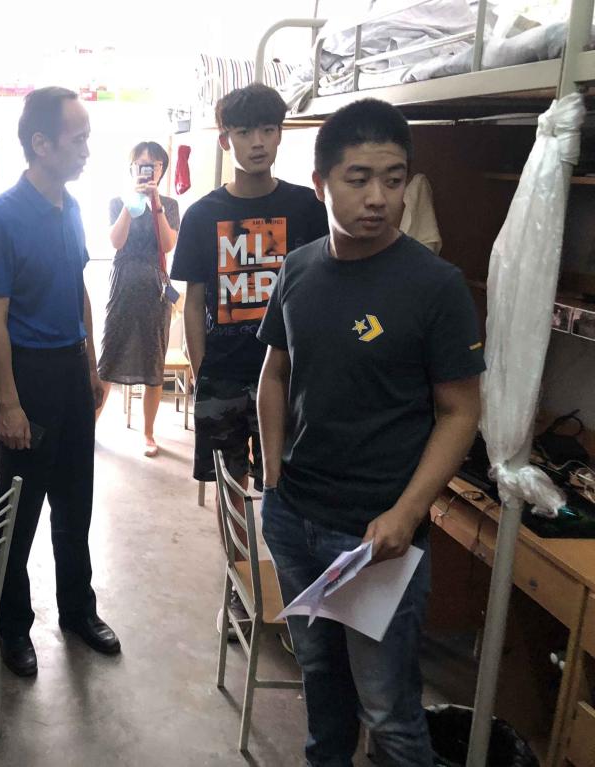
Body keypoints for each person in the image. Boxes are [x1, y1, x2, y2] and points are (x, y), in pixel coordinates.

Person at [257, 98, 483, 766]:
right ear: (321, 183)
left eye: (394, 178)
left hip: (374, 537)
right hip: (295, 517)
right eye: (358, 179)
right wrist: (272, 476)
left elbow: (460, 411)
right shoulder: (298, 269)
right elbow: (274, 372)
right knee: (320, 676)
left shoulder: (434, 285)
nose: (379, 198)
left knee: (387, 709)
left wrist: (405, 515)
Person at [0, 86, 120, 677]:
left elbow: (79, 289)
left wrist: (91, 366)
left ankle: (78, 611)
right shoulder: (3, 217)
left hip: (70, 370)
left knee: (76, 503)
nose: (86, 149)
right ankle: (12, 627)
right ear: (41, 143)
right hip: (26, 375)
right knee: (19, 512)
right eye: (77, 139)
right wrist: (9, 406)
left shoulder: (72, 206)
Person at [169, 83, 327, 637]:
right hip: (227, 373)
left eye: (268, 129)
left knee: (291, 484)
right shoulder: (202, 214)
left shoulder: (306, 208)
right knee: (232, 485)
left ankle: (297, 594)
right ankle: (239, 589)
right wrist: (201, 370)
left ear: (280, 135)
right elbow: (194, 300)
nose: (257, 142)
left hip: (291, 374)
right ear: (226, 139)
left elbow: (324, 285)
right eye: (244, 131)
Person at [96, 140, 180, 457]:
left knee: (153, 360)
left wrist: (155, 203)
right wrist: (132, 204)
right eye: (141, 165)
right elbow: (116, 241)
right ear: (132, 168)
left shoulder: (169, 204)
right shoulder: (119, 201)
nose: (146, 170)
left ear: (161, 170)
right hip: (122, 284)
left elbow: (168, 244)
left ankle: (148, 433)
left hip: (155, 289)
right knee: (109, 355)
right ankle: (90, 425)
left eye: (153, 165)